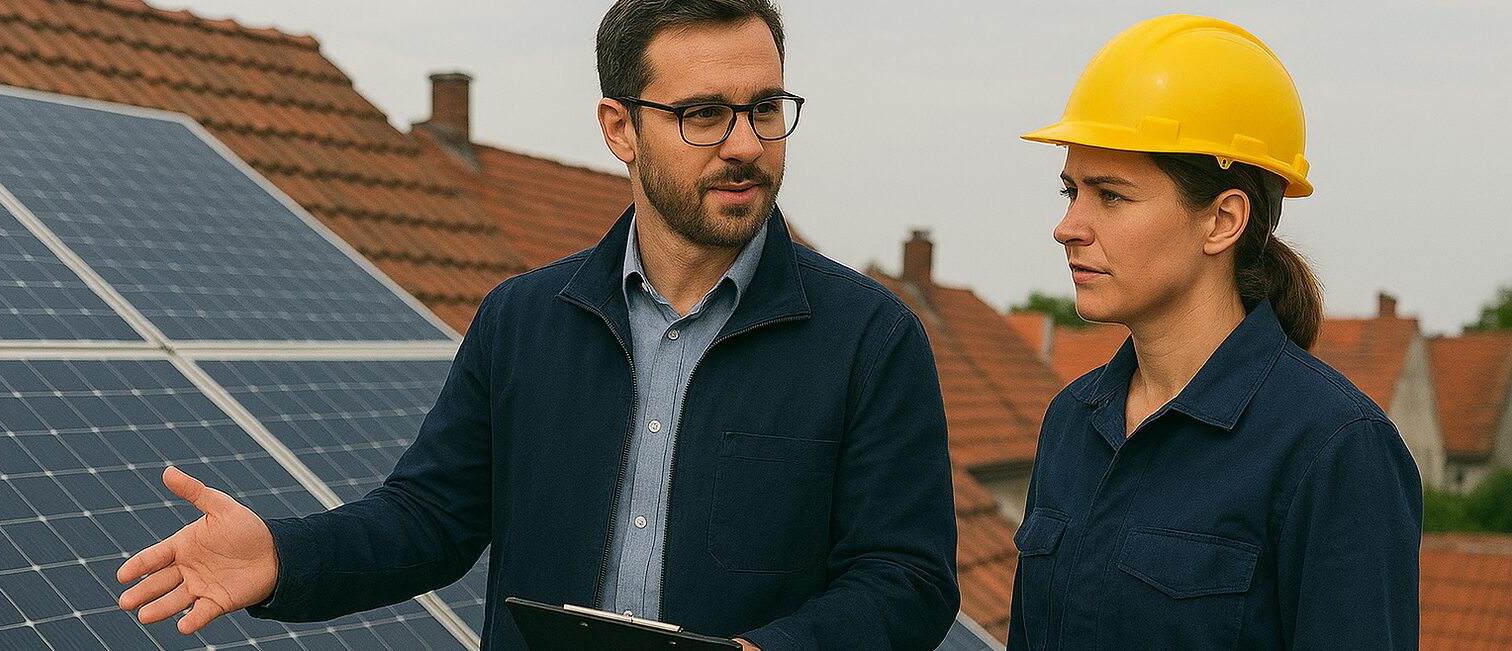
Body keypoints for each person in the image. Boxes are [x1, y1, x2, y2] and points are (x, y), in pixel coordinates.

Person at [114, 1, 960, 649]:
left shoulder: (871, 341)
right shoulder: (521, 321)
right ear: (619, 128)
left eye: (765, 107)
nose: (745, 143)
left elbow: (908, 579)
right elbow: (428, 519)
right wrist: (282, 558)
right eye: (704, 114)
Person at [1008, 14, 1422, 650]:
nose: (1068, 226)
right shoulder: (1072, 421)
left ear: (1224, 220)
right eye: (1070, 192)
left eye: (1110, 196)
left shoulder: (1336, 451)